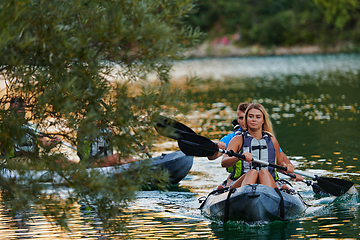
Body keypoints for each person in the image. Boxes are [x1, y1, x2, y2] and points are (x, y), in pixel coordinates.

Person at [221, 103, 294, 189]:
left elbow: (280, 164)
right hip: (242, 182)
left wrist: (286, 167)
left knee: (264, 172)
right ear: (246, 119)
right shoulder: (237, 139)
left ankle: (277, 191)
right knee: (253, 172)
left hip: (266, 179)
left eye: (258, 117)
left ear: (263, 120)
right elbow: (224, 162)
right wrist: (239, 157)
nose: (254, 120)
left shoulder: (272, 140)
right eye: (250, 116)